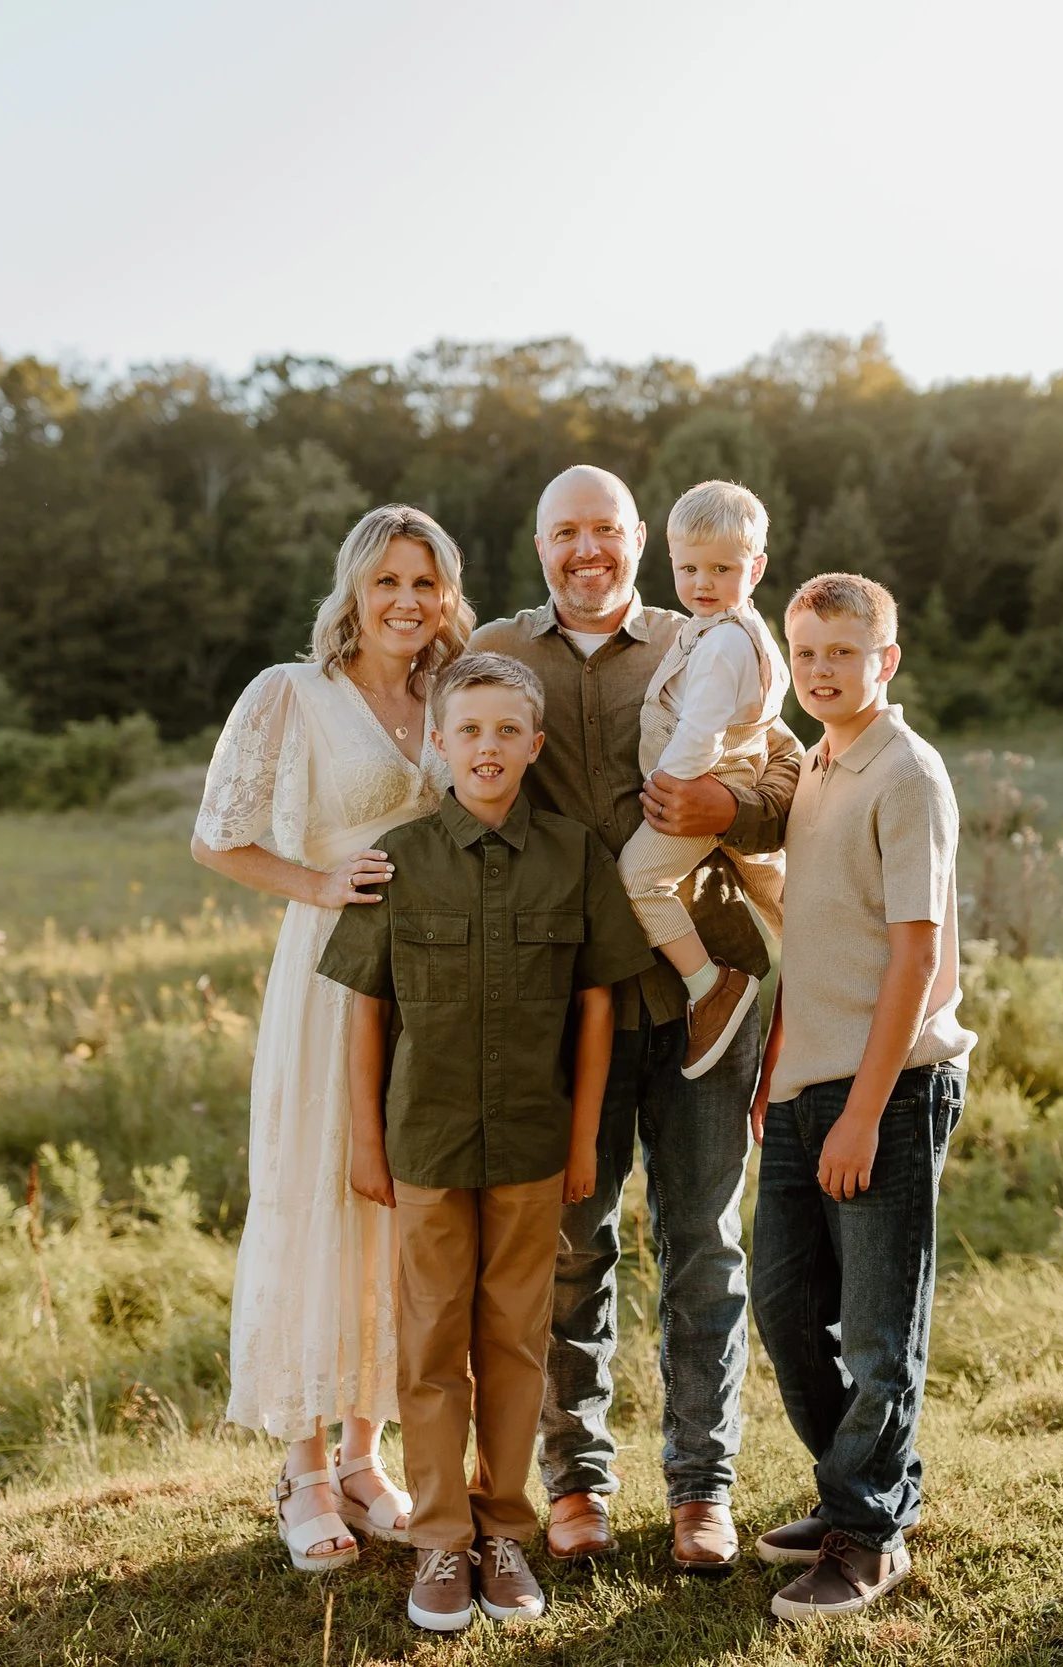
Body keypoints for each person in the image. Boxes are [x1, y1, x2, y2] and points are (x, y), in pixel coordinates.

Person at [469, 464, 800, 1575]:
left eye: (605, 530)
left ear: (638, 541)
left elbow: (788, 770)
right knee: (574, 1240)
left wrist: (728, 803)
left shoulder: (700, 635)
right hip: (570, 1001)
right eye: (565, 531)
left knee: (703, 1241)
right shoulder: (500, 648)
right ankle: (577, 1480)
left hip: (706, 989)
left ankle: (702, 1487)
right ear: (537, 542)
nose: (587, 550)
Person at [319, 653, 654, 1633]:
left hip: (533, 1141)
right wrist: (365, 1140)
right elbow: (364, 1014)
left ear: (534, 744)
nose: (487, 746)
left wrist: (584, 1134)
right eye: (467, 729)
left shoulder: (574, 854)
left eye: (507, 730)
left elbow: (596, 1007)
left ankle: (502, 1530)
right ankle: (438, 1542)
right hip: (423, 1142)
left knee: (513, 1341)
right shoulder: (401, 856)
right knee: (428, 1346)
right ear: (440, 741)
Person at [189, 504, 474, 1572]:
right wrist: (316, 880)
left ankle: (366, 1456)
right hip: (326, 976)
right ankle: (302, 1469)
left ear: (448, 593)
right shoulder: (289, 692)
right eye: (389, 581)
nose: (407, 601)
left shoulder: (453, 694)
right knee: (314, 1191)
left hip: (435, 985)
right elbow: (217, 836)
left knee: (403, 1207)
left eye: (426, 582)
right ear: (353, 590)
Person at [747, 572, 978, 1621]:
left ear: (885, 659)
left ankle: (868, 1531)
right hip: (803, 1078)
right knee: (787, 1302)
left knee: (880, 1327)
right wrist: (777, 1063)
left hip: (884, 1083)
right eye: (807, 653)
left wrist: (860, 1108)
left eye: (845, 650)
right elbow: (809, 922)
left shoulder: (906, 773)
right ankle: (867, 1485)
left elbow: (914, 955)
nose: (823, 669)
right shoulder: (817, 766)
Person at [614, 479, 791, 1079]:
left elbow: (701, 736)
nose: (703, 584)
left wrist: (667, 790)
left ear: (756, 568)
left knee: (639, 877)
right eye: (690, 568)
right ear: (670, 561)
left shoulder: (721, 647)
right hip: (733, 778)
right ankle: (840, 964)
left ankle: (710, 986)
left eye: (722, 568)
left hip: (701, 788)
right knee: (780, 896)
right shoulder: (741, 633)